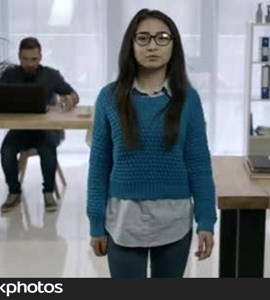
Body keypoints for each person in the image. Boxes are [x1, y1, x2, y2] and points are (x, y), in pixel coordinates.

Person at [87, 9, 216, 278]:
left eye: (162, 38)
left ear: (174, 45)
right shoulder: (109, 97)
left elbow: (199, 164)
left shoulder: (188, 99)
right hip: (122, 219)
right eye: (143, 38)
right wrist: (96, 223)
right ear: (131, 46)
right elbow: (99, 165)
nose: (153, 46)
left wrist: (206, 220)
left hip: (174, 217)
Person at [0, 37, 79, 213]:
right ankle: (14, 192)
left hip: (46, 129)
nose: (29, 63)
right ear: (19, 57)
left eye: (34, 59)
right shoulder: (9, 74)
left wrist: (71, 98)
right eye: (25, 59)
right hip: (20, 130)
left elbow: (74, 94)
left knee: (48, 148)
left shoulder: (51, 75)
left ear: (40, 57)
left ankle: (48, 192)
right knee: (6, 150)